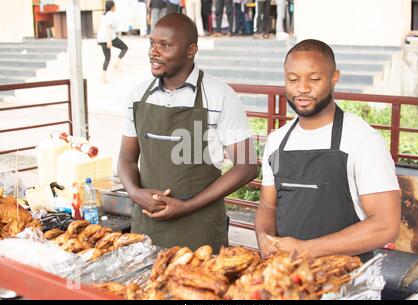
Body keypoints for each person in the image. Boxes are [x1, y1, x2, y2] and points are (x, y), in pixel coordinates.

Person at [118, 13, 257, 252]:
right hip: (147, 226)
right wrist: (134, 192)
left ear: (191, 50)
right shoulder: (137, 96)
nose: (154, 51)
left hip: (199, 230)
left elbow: (247, 166)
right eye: (152, 43)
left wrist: (187, 206)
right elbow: (126, 158)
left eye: (165, 45)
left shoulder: (221, 95)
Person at [255, 39, 400, 262]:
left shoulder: (362, 140)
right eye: (293, 79)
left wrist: (307, 249)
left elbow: (385, 226)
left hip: (346, 282)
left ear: (334, 78)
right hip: (288, 280)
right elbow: (267, 204)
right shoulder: (276, 141)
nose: (302, 88)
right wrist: (264, 237)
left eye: (314, 79)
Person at [97, 0, 128, 83]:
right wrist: (109, 41)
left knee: (107, 58)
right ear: (112, 6)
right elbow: (108, 27)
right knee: (124, 48)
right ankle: (115, 64)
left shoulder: (104, 15)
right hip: (109, 38)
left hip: (101, 38)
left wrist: (98, 40)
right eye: (115, 5)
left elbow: (100, 27)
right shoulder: (110, 15)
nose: (116, 7)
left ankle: (103, 78)